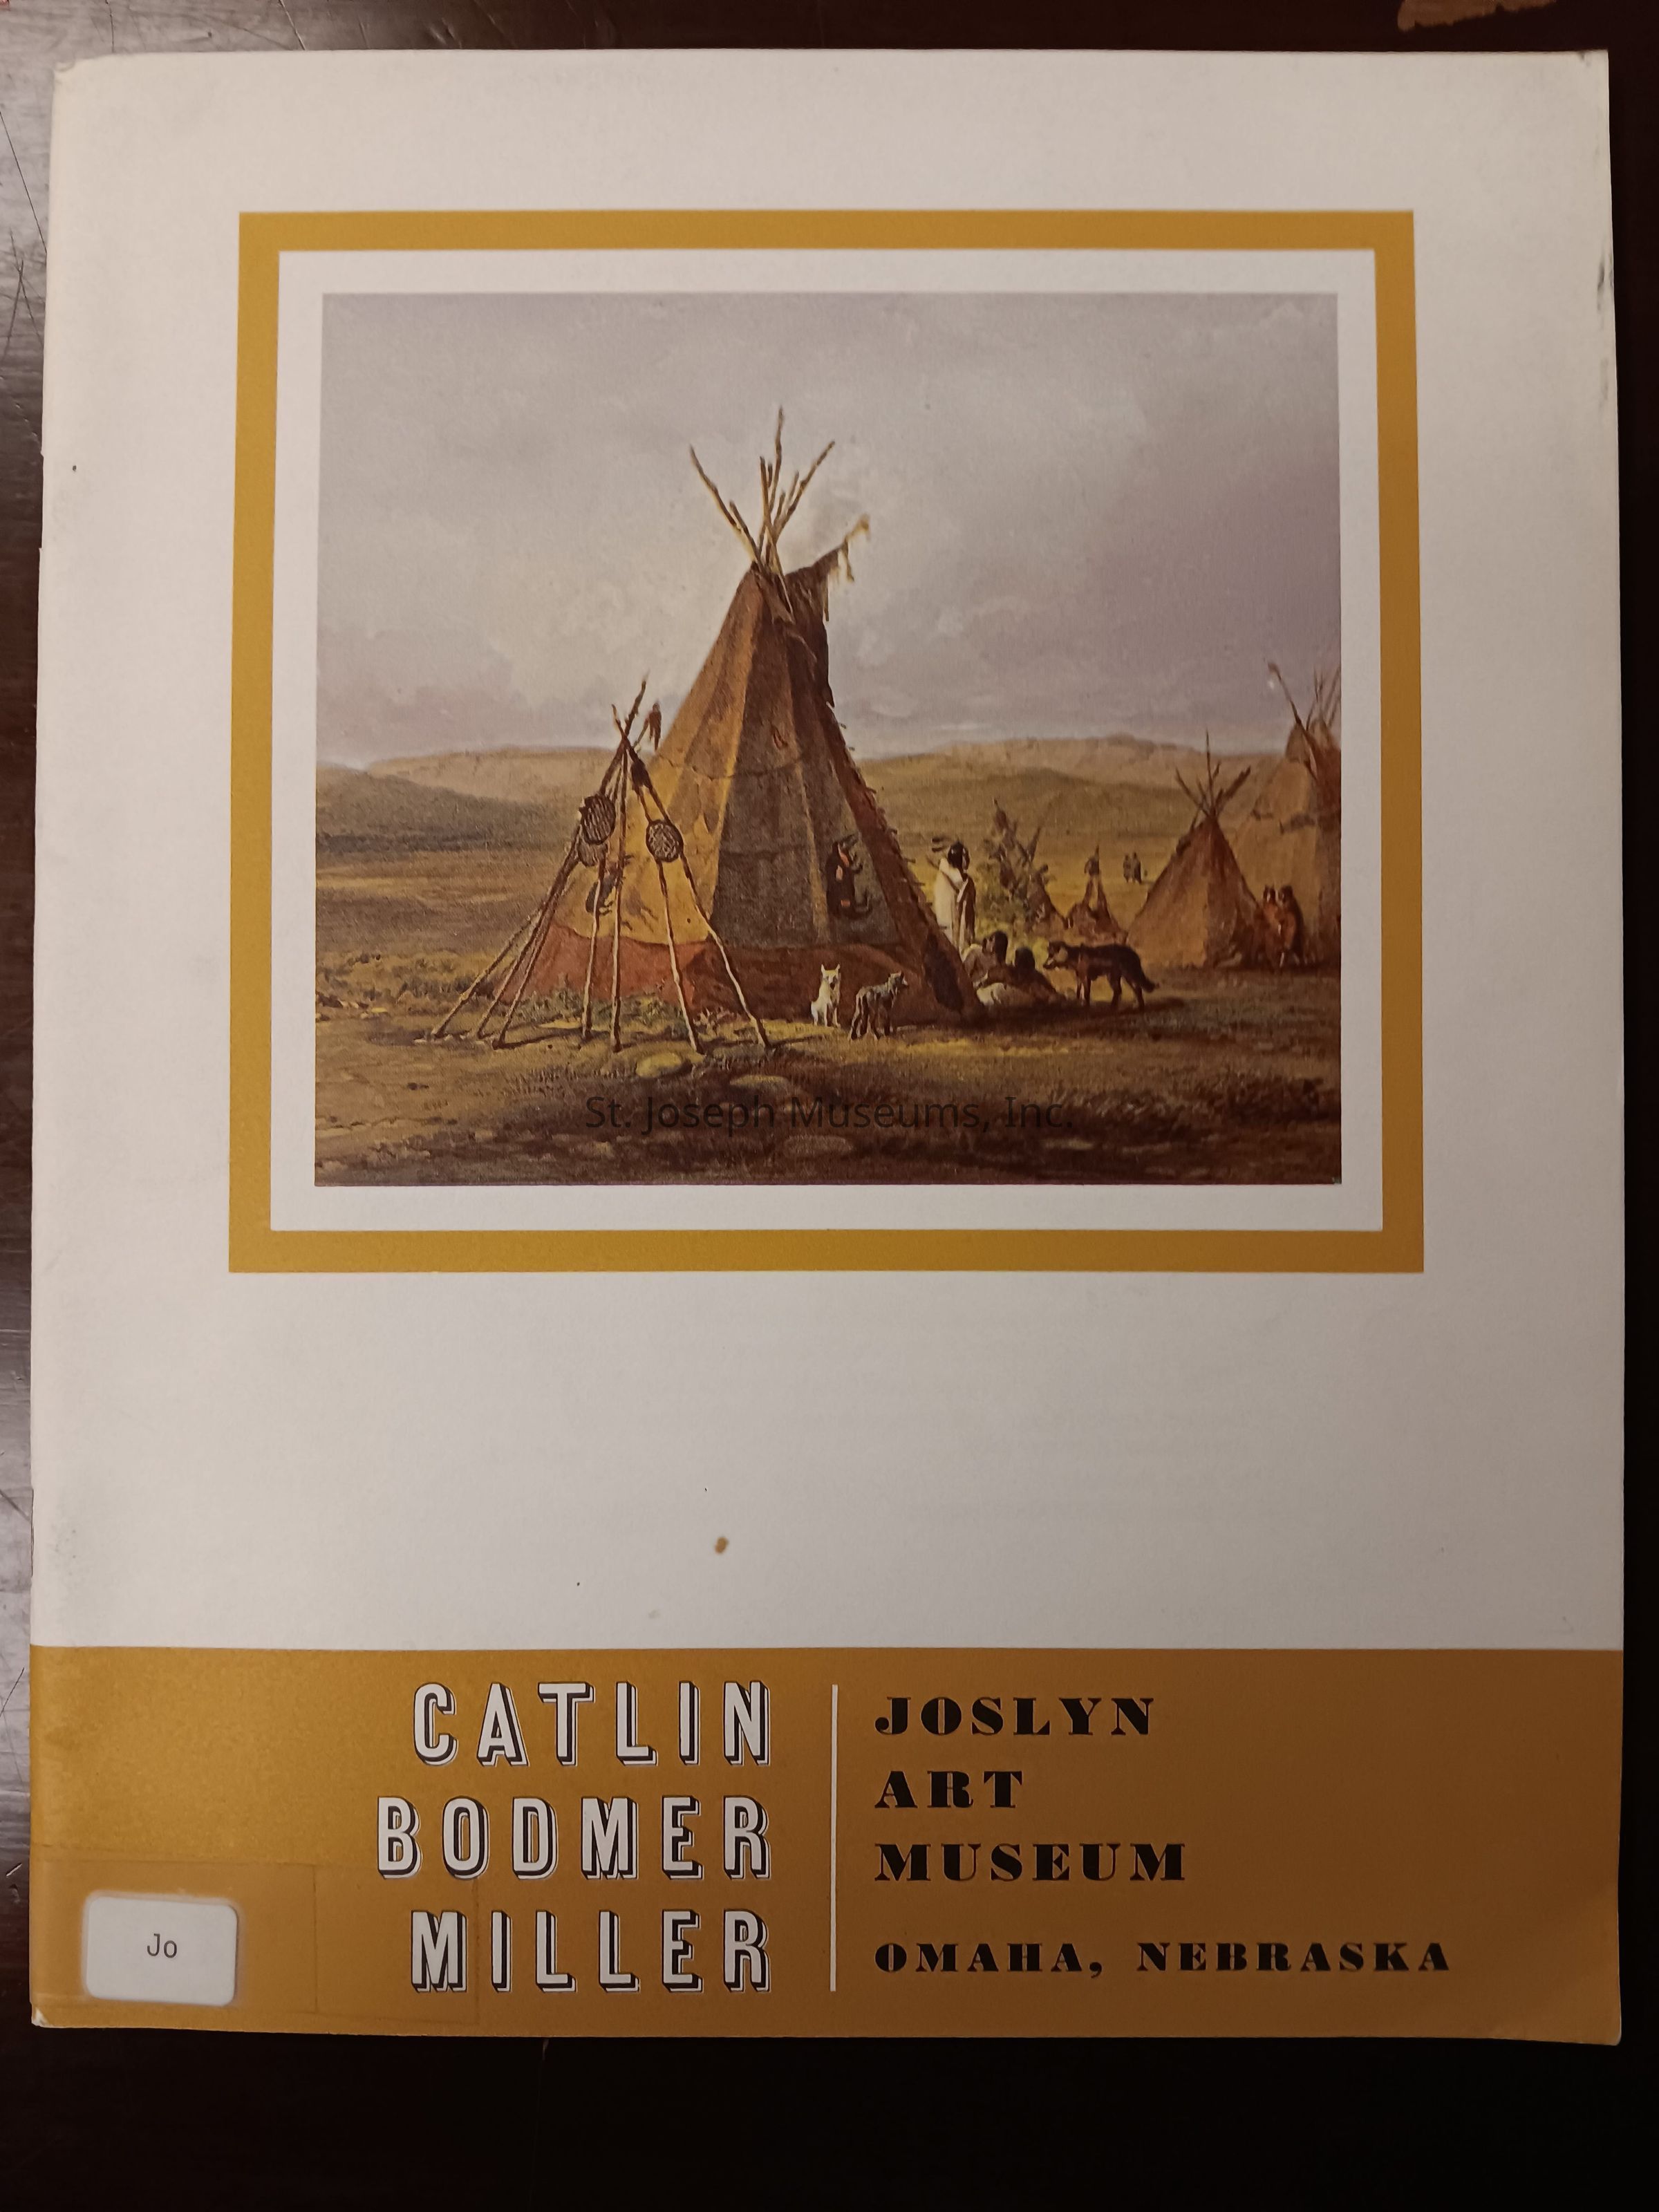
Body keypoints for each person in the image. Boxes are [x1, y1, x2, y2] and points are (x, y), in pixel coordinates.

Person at [932, 839, 977, 954]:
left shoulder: (959, 878)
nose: (968, 859)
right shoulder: (954, 877)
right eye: (965, 856)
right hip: (950, 922)